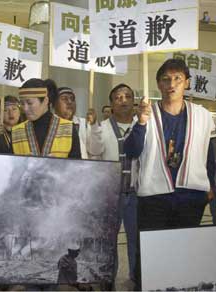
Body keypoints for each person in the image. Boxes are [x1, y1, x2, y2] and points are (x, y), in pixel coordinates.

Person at [124, 59, 215, 289]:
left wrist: (212, 186)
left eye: (177, 79)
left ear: (187, 83)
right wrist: (142, 123)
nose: (171, 84)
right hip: (154, 196)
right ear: (158, 84)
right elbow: (131, 151)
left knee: (184, 254)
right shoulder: (146, 113)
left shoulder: (203, 115)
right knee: (150, 254)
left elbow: (212, 153)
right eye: (165, 79)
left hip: (190, 195)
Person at [89, 84, 137, 285]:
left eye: (127, 96)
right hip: (111, 194)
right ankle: (108, 277)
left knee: (136, 239)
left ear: (133, 101)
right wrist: (92, 128)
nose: (123, 100)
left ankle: (136, 275)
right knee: (108, 240)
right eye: (118, 97)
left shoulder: (142, 125)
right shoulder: (102, 127)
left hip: (136, 193)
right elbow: (93, 150)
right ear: (111, 104)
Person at [0, 78, 81, 159]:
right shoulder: (16, 131)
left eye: (30, 103)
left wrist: (58, 165)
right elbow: (11, 168)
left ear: (45, 101)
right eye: (22, 103)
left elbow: (77, 167)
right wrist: (22, 164)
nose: (25, 108)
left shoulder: (68, 128)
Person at [53, 87, 90, 159]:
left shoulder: (83, 123)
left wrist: (94, 126)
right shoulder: (50, 124)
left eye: (72, 99)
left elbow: (96, 151)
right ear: (54, 104)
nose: (70, 102)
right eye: (64, 99)